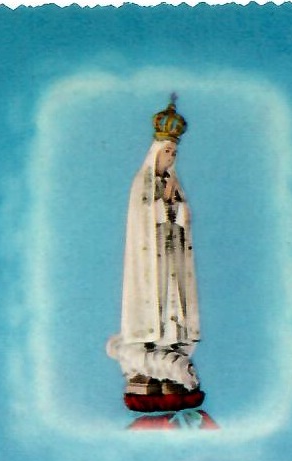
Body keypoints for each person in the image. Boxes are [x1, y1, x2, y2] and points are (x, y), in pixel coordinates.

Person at [107, 96, 201, 397]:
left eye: (174, 153)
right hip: (151, 263)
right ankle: (149, 367)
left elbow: (182, 220)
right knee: (153, 307)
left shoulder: (174, 184)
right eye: (167, 152)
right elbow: (144, 221)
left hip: (170, 260)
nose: (171, 158)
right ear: (156, 152)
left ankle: (170, 364)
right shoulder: (143, 183)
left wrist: (176, 203)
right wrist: (165, 202)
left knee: (172, 308)